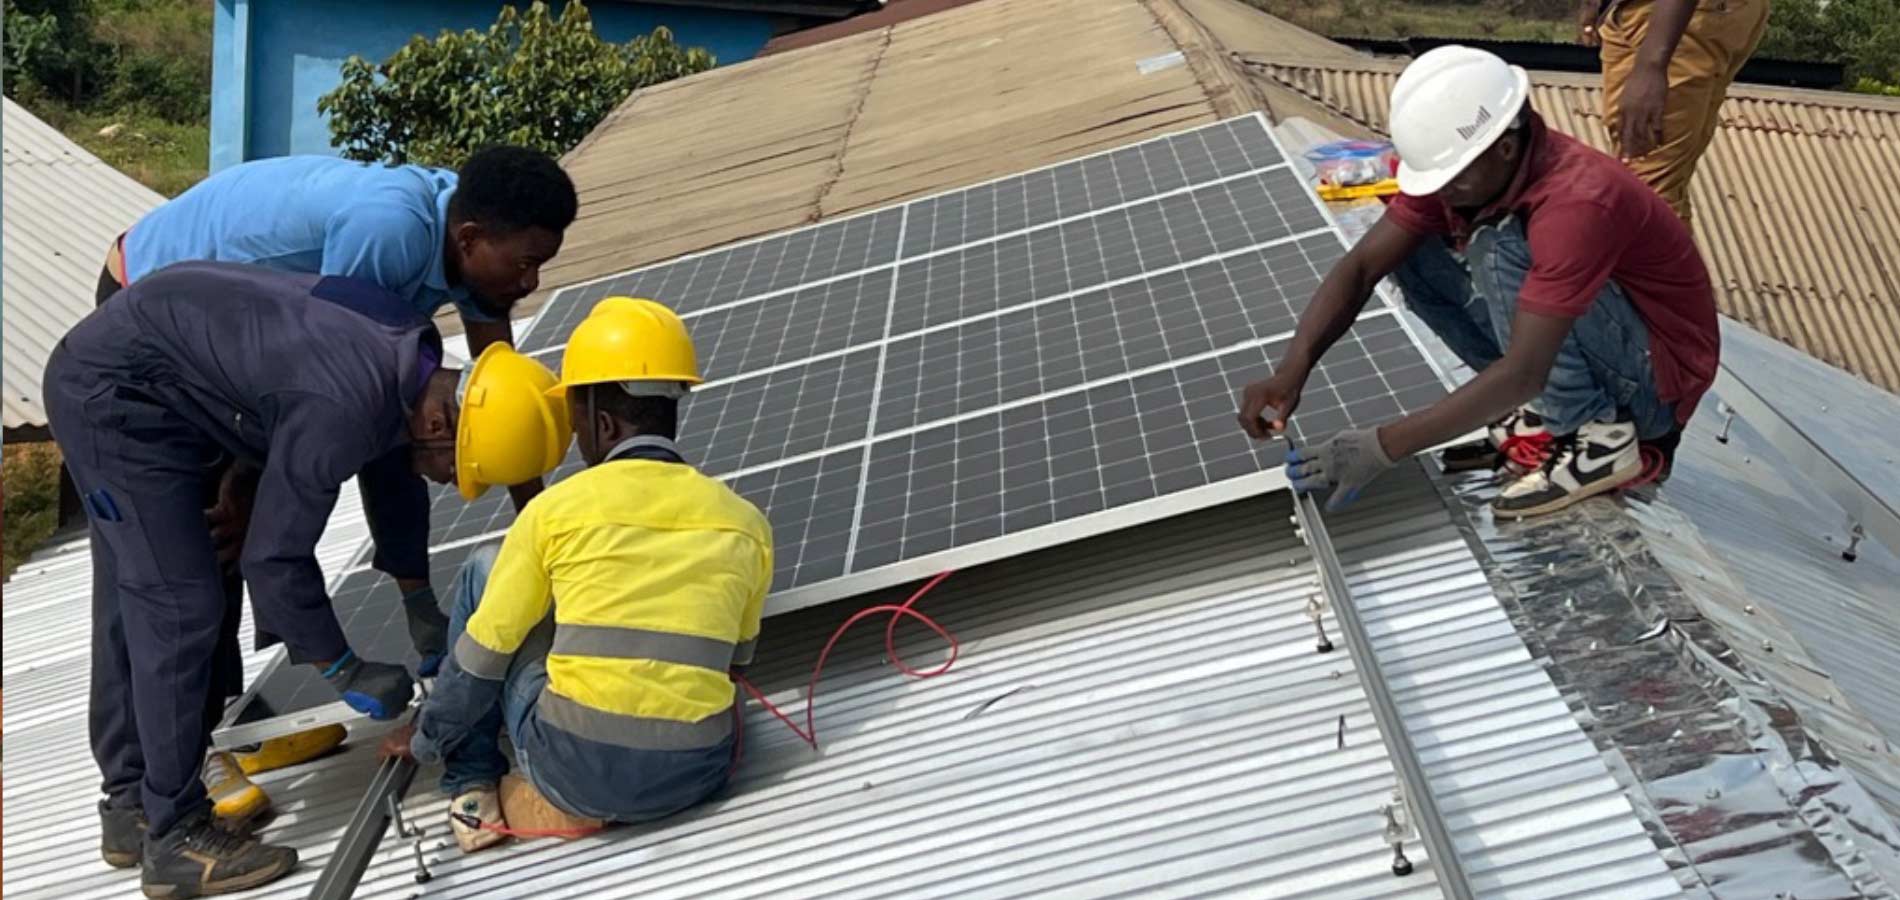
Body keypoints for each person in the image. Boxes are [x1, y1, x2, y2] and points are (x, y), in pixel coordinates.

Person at [89, 145, 579, 826]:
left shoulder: (477, 247)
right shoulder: (387, 234)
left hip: (236, 348)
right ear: (470, 239)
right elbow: (320, 389)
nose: (531, 283)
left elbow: (493, 396)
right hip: (148, 308)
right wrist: (244, 488)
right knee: (187, 556)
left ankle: (218, 721)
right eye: (525, 264)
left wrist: (548, 535)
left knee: (246, 527)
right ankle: (145, 780)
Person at [44, 262, 472, 896]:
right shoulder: (348, 406)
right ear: (438, 425)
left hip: (173, 369)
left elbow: (365, 453)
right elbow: (273, 557)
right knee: (178, 604)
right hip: (118, 397)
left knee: (159, 588)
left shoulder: (414, 353)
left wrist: (415, 589)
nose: (451, 483)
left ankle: (133, 805)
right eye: (457, 468)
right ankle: (175, 839)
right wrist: (341, 667)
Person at [1236, 46, 1719, 518]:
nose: (1444, 191)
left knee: (1499, 244)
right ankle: (1548, 411)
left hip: (1654, 386)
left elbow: (1525, 370)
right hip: (1593, 350)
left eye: (1452, 178)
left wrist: (1382, 447)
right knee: (1414, 251)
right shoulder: (1478, 170)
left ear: (1504, 147)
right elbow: (1362, 267)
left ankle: (1597, 437)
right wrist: (1291, 370)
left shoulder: (1578, 203)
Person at [378, 298, 773, 853]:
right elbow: (736, 661)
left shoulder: (554, 511)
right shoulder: (746, 523)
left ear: (602, 422)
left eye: (575, 418)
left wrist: (424, 740)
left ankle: (471, 784)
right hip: (698, 776)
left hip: (573, 774)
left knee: (485, 571)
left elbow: (477, 663)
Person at [1580, 0, 1768, 223]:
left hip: (1671, 20)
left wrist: (1651, 65)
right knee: (1652, 186)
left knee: (1646, 193)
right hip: (1670, 18)